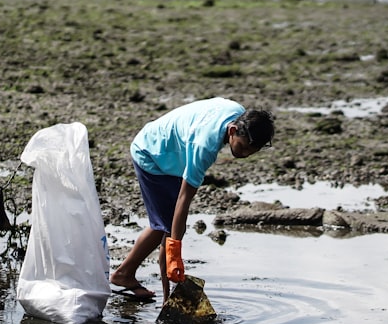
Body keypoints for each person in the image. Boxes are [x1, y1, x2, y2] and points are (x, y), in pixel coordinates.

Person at [109, 97, 275, 302]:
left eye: (252, 151)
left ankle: (124, 274)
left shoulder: (238, 113)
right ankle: (165, 300)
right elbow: (184, 199)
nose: (245, 154)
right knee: (169, 229)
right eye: (242, 148)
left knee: (167, 226)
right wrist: (175, 252)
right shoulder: (204, 147)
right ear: (232, 131)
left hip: (174, 152)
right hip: (152, 153)